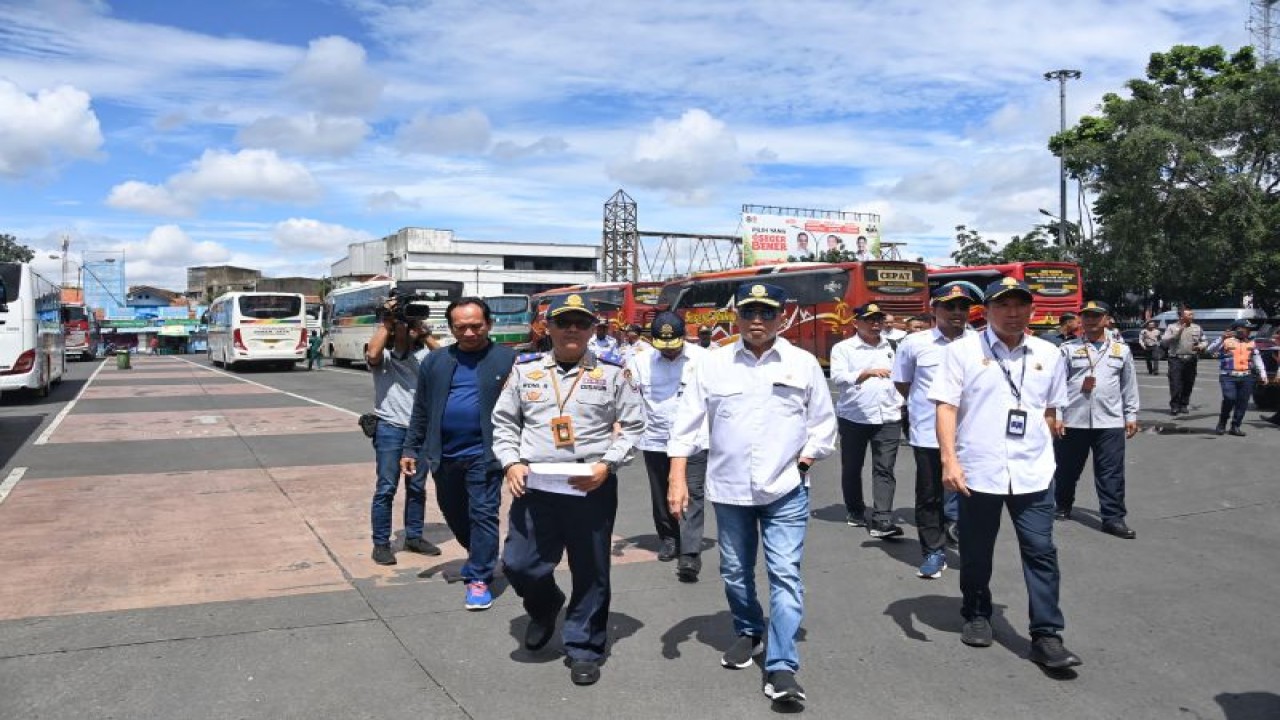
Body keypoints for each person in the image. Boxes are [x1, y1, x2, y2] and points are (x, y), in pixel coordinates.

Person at [667, 282, 837, 705]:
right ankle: (748, 630)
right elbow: (686, 423)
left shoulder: (802, 364)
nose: (757, 320)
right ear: (736, 317)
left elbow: (823, 425)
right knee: (735, 572)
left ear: (781, 316)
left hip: (786, 489)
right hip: (730, 489)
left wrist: (804, 462)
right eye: (749, 313)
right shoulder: (713, 364)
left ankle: (782, 666)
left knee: (785, 574)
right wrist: (676, 476)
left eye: (766, 312)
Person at [930, 277, 1082, 670]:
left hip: (1033, 471)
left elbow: (1050, 409)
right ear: (988, 311)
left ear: (1031, 310)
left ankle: (1046, 634)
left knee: (1041, 551)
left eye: (1021, 306)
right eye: (1004, 306)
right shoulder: (962, 351)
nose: (1013, 313)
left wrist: (1049, 436)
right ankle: (977, 613)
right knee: (977, 553)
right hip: (978, 472)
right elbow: (945, 407)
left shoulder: (1049, 354)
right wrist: (949, 460)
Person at [491, 292, 642, 687]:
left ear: (594, 329)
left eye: (581, 323)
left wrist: (607, 465)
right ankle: (545, 606)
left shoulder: (613, 371)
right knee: (519, 564)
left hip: (588, 485)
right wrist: (511, 462)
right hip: (535, 484)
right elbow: (504, 423)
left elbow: (634, 426)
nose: (572, 330)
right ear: (549, 328)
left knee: (590, 570)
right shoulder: (525, 370)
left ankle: (584, 647)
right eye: (564, 322)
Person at [400, 298, 516, 610]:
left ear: (489, 325)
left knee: (482, 513)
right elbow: (421, 408)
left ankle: (479, 576)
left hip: (486, 453)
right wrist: (411, 447)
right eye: (460, 327)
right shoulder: (435, 361)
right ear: (451, 328)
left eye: (475, 326)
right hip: (443, 455)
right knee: (454, 513)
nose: (468, 332)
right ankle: (480, 553)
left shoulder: (508, 360)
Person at [892, 282, 981, 579]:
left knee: (974, 496)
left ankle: (971, 548)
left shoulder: (981, 343)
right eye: (949, 306)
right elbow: (903, 384)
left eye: (963, 306)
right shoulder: (914, 343)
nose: (957, 312)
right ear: (935, 309)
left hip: (971, 436)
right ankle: (933, 551)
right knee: (930, 496)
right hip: (929, 434)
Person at [629, 311, 707, 581]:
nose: (668, 352)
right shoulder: (640, 361)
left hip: (694, 439)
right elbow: (632, 398)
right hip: (655, 438)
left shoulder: (703, 359)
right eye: (662, 347)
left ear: (683, 336)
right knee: (660, 492)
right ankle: (669, 538)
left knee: (692, 492)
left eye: (673, 345)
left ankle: (690, 552)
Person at [1052, 301, 1140, 539]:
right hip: (1073, 420)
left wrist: (1130, 414)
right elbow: (1057, 385)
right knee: (1066, 470)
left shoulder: (1121, 350)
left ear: (1106, 319)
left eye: (1096, 316)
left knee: (1111, 473)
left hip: (1109, 421)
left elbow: (1128, 385)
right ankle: (1062, 504)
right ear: (1080, 319)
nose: (1091, 320)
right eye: (1086, 316)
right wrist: (1057, 415)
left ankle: (1113, 518)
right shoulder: (1068, 349)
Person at [366, 299, 440, 566]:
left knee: (417, 487)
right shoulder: (383, 357)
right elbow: (372, 353)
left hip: (419, 432)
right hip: (389, 430)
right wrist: (387, 321)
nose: (405, 330)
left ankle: (414, 536)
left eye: (408, 325)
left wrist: (424, 331)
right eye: (402, 325)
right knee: (386, 488)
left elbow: (447, 360)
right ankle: (381, 543)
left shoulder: (424, 356)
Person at [830, 303, 902, 537]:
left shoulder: (893, 345)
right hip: (854, 417)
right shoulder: (843, 348)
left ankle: (882, 519)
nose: (875, 324)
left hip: (889, 415)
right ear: (856, 323)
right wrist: (866, 373)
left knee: (885, 468)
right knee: (852, 467)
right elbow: (839, 378)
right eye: (869, 320)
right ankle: (855, 509)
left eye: (878, 319)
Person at [1206, 320, 1267, 436]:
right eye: (1246, 329)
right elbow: (1210, 350)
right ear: (1238, 329)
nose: (1249, 332)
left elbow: (1257, 360)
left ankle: (1235, 426)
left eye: (1249, 330)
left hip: (1246, 376)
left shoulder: (1251, 343)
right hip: (1228, 376)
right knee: (1229, 398)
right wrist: (1221, 338)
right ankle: (1222, 423)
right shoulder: (1226, 341)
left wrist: (1263, 374)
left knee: (1242, 402)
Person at [1162, 308, 1206, 416]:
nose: (1192, 317)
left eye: (1192, 315)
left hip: (1191, 359)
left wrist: (1201, 346)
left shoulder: (1197, 328)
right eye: (1189, 315)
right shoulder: (1171, 327)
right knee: (1175, 383)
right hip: (1176, 358)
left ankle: (1184, 404)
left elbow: (1204, 340)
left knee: (1188, 382)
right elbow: (1165, 340)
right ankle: (1175, 406)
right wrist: (1179, 331)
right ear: (1181, 316)